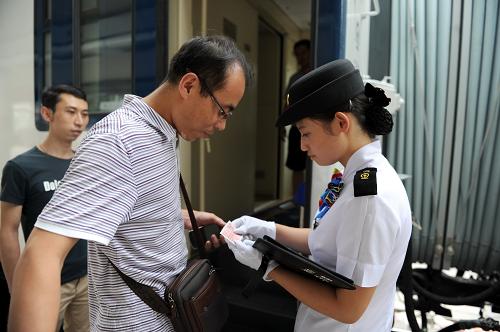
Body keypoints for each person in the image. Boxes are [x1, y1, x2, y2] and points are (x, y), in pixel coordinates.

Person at [8, 35, 252, 332]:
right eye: (222, 110)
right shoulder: (118, 142)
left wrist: (173, 218)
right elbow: (41, 253)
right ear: (189, 85)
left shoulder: (162, 133)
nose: (222, 124)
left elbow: (131, 204)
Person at [227, 59, 412, 331]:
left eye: (305, 133)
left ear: (340, 123)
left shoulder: (370, 200)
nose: (302, 145)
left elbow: (348, 309)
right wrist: (268, 229)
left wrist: (269, 267)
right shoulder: (357, 178)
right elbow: (325, 241)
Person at [0, 84, 90, 332]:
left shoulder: (84, 163)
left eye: (84, 114)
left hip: (87, 277)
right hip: (46, 279)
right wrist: (18, 286)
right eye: (71, 112)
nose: (79, 121)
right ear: (47, 114)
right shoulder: (21, 167)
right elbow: (7, 231)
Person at [285, 39, 311, 196]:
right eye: (297, 55)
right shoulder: (294, 78)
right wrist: (282, 125)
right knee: (296, 168)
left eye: (303, 53)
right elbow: (286, 104)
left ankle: (311, 204)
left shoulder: (317, 74)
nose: (300, 57)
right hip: (296, 130)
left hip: (316, 129)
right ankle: (297, 202)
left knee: (316, 167)